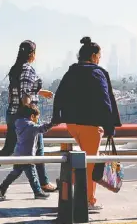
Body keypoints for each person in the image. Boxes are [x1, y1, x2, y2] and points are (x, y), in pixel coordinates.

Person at [52, 36, 122, 210]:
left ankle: (68, 181)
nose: (99, 59)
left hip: (72, 124)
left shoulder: (71, 72)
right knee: (90, 163)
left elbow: (59, 95)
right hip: (91, 125)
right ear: (92, 55)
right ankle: (88, 201)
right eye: (98, 56)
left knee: (83, 160)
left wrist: (57, 117)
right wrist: (110, 126)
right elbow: (105, 100)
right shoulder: (97, 73)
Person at [0, 40, 57, 193]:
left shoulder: (15, 69)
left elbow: (21, 90)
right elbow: (26, 95)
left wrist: (41, 92)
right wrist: (30, 116)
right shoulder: (28, 70)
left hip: (12, 113)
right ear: (32, 54)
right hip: (24, 116)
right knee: (38, 148)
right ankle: (43, 183)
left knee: (9, 148)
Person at [0, 104, 56, 200]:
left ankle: (2, 187)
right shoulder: (31, 126)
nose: (37, 120)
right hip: (27, 155)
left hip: (18, 154)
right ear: (32, 116)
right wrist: (53, 123)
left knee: (15, 173)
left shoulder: (19, 123)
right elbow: (42, 128)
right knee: (32, 174)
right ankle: (38, 192)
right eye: (37, 118)